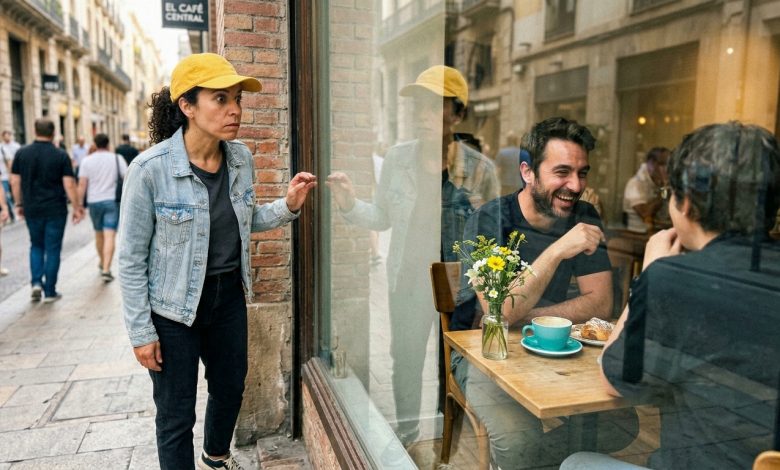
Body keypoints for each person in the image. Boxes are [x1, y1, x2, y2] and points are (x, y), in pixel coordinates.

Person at [118, 53, 316, 470]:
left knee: (229, 388)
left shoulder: (240, 158)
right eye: (221, 98)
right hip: (172, 309)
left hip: (227, 297)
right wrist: (141, 331)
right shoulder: (149, 170)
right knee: (176, 413)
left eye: (238, 100)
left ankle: (216, 457)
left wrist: (287, 205)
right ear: (187, 106)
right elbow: (131, 259)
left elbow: (243, 221)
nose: (235, 110)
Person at [561, 122, 780, 470]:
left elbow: (614, 379)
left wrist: (650, 274)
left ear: (687, 201)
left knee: (576, 463)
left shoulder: (677, 280)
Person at [326, 65, 499, 447]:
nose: (421, 114)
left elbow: (492, 243)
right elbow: (383, 217)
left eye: (433, 106)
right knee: (404, 362)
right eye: (418, 105)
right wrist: (351, 203)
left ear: (456, 114)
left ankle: (449, 436)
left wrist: (490, 300)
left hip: (458, 290)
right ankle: (407, 434)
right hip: (407, 281)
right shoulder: (398, 159)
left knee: (452, 365)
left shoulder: (480, 170)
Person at [452, 117, 633, 469]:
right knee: (520, 439)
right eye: (562, 172)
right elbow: (498, 314)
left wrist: (532, 319)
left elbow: (600, 303)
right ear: (528, 172)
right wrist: (557, 250)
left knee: (620, 423)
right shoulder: (490, 220)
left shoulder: (585, 216)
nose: (575, 185)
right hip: (482, 353)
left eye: (583, 173)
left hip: (552, 350)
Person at [11, 118, 84, 302]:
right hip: (55, 209)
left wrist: (19, 204)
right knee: (52, 249)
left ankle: (36, 283)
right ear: (53, 133)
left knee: (36, 245)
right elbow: (69, 184)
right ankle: (50, 291)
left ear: (35, 130)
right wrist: (77, 207)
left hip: (32, 208)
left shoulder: (21, 153)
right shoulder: (60, 155)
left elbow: (15, 181)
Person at [77, 133, 127, 282]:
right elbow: (127, 178)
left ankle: (102, 262)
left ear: (95, 144)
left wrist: (79, 204)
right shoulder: (117, 159)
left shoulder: (87, 161)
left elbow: (82, 184)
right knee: (110, 235)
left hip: (94, 202)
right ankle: (106, 268)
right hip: (111, 201)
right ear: (108, 143)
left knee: (98, 234)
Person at [623, 147, 670, 233]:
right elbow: (645, 213)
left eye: (669, 164)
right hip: (637, 235)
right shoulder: (636, 184)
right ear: (650, 163)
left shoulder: (658, 182)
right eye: (662, 164)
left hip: (658, 231)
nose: (667, 169)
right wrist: (664, 189)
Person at [1, 130, 20, 222]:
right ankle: (10, 213)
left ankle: (13, 212)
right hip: (2, 178)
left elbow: (9, 161)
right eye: (5, 135)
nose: (6, 137)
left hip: (6, 175)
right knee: (5, 196)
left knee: (8, 195)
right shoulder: (1, 146)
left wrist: (11, 174)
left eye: (8, 135)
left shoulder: (4, 149)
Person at [495, 131, 522, 196]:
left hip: (505, 183)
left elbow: (497, 169)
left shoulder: (502, 153)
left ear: (507, 141)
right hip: (518, 184)